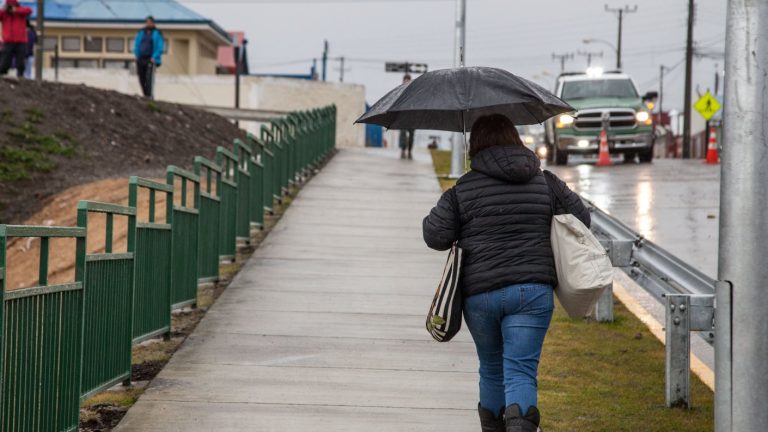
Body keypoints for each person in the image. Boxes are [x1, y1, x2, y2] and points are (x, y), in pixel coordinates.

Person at [422, 114, 590, 432]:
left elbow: (434, 236)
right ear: (516, 140)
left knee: (491, 368)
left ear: (475, 147)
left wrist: (453, 201)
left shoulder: (463, 189)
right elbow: (583, 220)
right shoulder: (545, 181)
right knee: (521, 370)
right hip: (532, 291)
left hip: (480, 295)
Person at [133, 16, 164, 98]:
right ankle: (145, 94)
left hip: (151, 59)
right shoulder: (141, 32)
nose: (148, 24)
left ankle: (149, 95)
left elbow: (160, 47)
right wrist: (136, 55)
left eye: (150, 22)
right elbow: (137, 44)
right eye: (147, 22)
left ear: (153, 23)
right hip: (141, 58)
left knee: (149, 78)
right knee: (141, 77)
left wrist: (154, 57)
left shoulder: (157, 33)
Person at [0, 0, 32, 78]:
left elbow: (29, 11)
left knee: (20, 62)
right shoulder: (4, 14)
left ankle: (20, 76)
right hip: (8, 41)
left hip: (20, 41)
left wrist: (16, 10)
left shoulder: (21, 12)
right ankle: (2, 76)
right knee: (5, 61)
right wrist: (3, 9)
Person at [399, 74, 415, 159]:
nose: (406, 82)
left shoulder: (413, 91)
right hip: (402, 116)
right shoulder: (399, 91)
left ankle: (409, 151)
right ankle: (403, 150)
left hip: (412, 116)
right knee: (403, 134)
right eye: (405, 80)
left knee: (411, 135)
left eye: (408, 80)